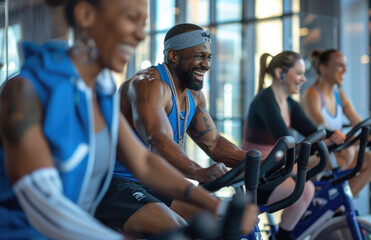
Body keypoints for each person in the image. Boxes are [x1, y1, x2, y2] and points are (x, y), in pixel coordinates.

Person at [0, 1, 256, 239]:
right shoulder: (24, 92)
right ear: (86, 16)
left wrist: (217, 207)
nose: (141, 35)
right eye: (131, 19)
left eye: (144, 24)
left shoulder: (99, 92)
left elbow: (144, 162)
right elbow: (44, 207)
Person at [95, 23, 258, 237]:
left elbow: (215, 144)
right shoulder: (149, 85)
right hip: (114, 185)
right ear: (173, 55)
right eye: (199, 56)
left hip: (155, 183)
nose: (206, 64)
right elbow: (158, 141)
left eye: (209, 57)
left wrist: (264, 163)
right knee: (180, 230)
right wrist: (198, 171)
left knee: (224, 222)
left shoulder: (193, 96)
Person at [241, 51, 345, 240]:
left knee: (310, 186)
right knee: (306, 190)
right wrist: (323, 142)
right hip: (254, 179)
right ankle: (283, 236)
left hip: (273, 171)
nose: (304, 79)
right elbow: (287, 145)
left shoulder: (289, 104)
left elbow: (313, 131)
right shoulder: (266, 101)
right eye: (299, 73)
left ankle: (284, 233)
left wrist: (336, 137)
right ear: (281, 73)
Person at [301, 49, 371, 197]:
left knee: (368, 160)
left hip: (337, 153)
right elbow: (321, 129)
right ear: (323, 68)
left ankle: (339, 207)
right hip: (315, 156)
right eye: (340, 65)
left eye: (345, 65)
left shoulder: (340, 95)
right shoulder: (312, 95)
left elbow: (360, 123)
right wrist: (355, 141)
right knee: (349, 152)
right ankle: (334, 204)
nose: (345, 70)